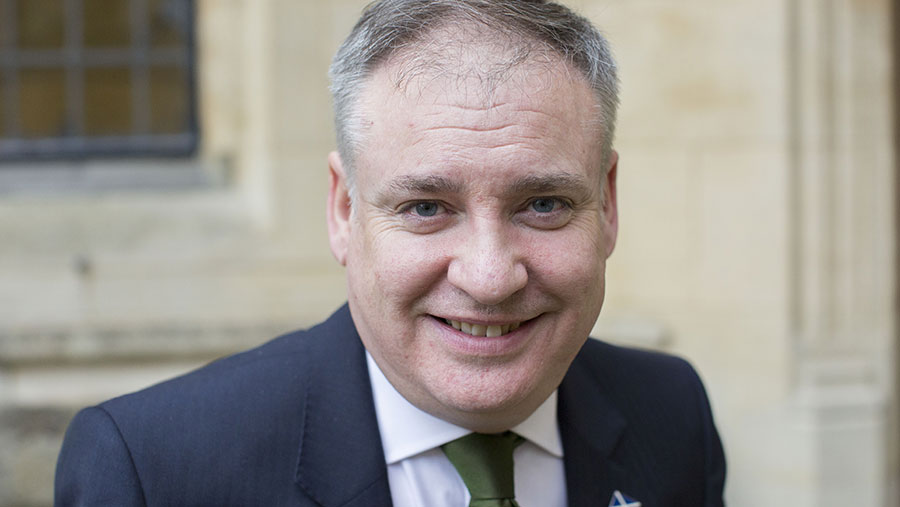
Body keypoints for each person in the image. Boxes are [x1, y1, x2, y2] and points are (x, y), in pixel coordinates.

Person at [55, 1, 726, 506]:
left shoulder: (671, 414)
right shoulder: (153, 469)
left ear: (607, 205)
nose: (490, 277)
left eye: (543, 204)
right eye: (427, 208)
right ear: (344, 209)